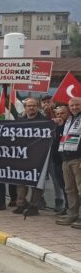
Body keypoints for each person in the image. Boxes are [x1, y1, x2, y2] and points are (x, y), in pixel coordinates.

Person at [13, 98, 46, 216]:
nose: (31, 108)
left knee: (36, 183)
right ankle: (21, 204)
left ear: (37, 107)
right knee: (21, 181)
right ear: (25, 107)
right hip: (23, 156)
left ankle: (34, 206)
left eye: (33, 106)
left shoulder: (45, 121)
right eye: (28, 106)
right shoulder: (20, 120)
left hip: (39, 157)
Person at [56, 97, 81, 228]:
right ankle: (73, 214)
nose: (74, 107)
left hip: (78, 159)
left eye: (77, 105)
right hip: (66, 159)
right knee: (70, 189)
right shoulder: (69, 119)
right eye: (72, 106)